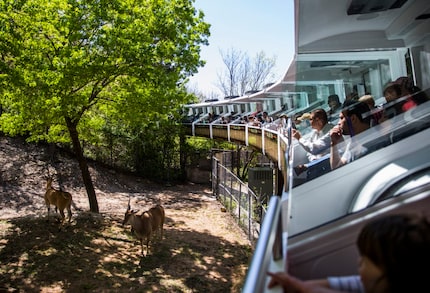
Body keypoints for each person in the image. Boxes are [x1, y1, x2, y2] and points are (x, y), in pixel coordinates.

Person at [267, 213, 430, 293]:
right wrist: (298, 286)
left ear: (393, 274)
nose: (359, 262)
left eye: (367, 260)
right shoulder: (368, 284)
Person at [330, 101, 371, 169]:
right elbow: (337, 167)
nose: (338, 123)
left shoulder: (373, 141)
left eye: (342, 118)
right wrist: (334, 143)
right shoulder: (353, 143)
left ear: (353, 119)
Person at [292, 109, 333, 175]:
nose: (309, 122)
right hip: (317, 166)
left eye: (311, 119)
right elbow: (309, 152)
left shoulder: (331, 132)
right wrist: (313, 160)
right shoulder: (314, 132)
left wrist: (299, 138)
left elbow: (313, 149)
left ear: (319, 120)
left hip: (328, 166)